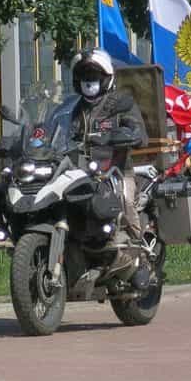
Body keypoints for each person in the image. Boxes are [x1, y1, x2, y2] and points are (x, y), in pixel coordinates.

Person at [68, 48, 147, 242]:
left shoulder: (121, 103)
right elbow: (63, 133)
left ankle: (139, 250)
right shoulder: (74, 109)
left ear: (106, 77)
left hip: (116, 170)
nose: (89, 80)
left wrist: (130, 135)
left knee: (125, 202)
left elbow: (139, 133)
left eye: (94, 75)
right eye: (84, 75)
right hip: (82, 171)